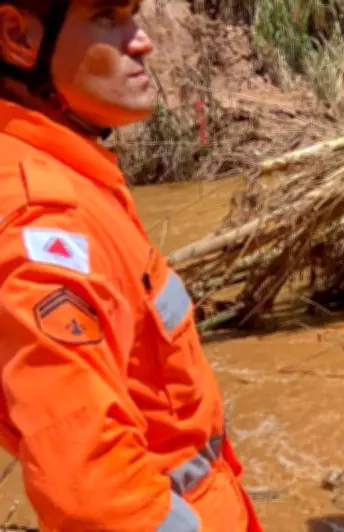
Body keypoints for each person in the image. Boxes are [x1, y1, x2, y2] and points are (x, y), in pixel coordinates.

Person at [0, 1, 261, 530]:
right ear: (18, 37)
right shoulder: (44, 221)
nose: (142, 41)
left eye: (134, 15)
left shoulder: (72, 174)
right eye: (106, 16)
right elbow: (94, 494)